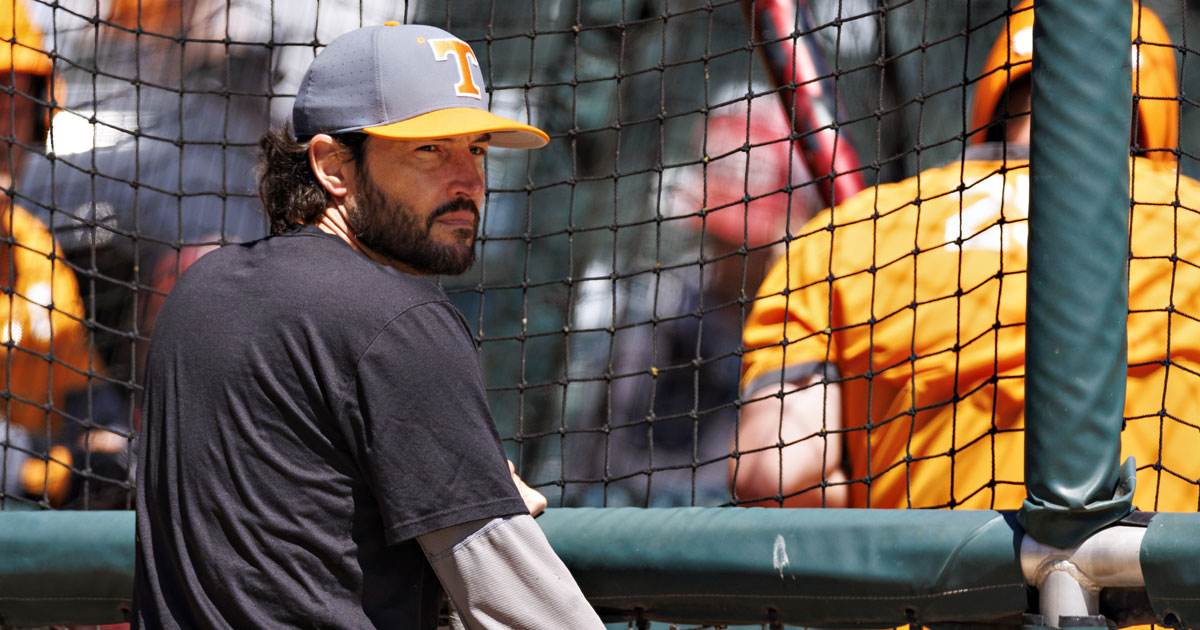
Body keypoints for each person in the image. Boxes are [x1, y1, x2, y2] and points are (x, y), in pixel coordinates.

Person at [133, 23, 605, 629]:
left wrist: (455, 476)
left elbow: (299, 522)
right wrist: (478, 490)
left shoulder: (199, 292)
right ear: (333, 165)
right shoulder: (398, 320)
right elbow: (526, 612)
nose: (469, 181)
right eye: (429, 150)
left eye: (477, 148)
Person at [733, 0, 1200, 512]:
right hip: (1151, 580)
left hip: (941, 582)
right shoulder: (1189, 224)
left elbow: (773, 471)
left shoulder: (858, 233)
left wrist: (874, 492)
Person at [0, 0, 126, 508]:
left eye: (14, 100)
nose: (3, 124)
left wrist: (115, 444)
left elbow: (88, 400)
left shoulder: (36, 249)